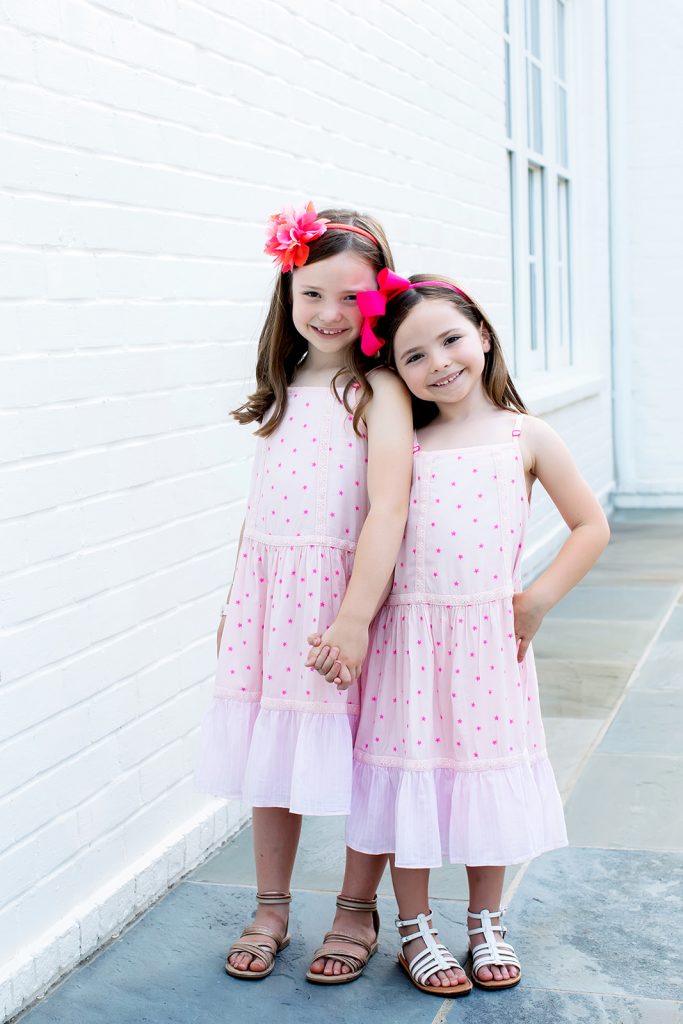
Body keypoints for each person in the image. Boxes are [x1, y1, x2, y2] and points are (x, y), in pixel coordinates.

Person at [310, 270, 610, 994]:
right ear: (396, 372)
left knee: (486, 774)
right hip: (408, 641)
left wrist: (535, 600)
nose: (438, 362)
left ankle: (484, 920)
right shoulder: (402, 445)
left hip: (486, 640)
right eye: (413, 356)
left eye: (449, 339)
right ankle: (414, 929)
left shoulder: (524, 435)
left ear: (480, 332)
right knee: (409, 772)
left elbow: (588, 525)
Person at [195, 206, 413, 981]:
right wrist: (231, 603)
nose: (328, 314)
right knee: (272, 744)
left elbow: (386, 506)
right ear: (287, 292)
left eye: (351, 298)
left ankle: (356, 908)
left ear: (379, 300)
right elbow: (259, 511)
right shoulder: (283, 386)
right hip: (272, 598)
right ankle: (271, 903)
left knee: (370, 749)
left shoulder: (377, 389)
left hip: (348, 598)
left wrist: (354, 617)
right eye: (312, 294)